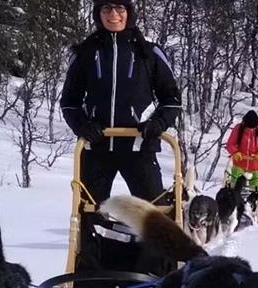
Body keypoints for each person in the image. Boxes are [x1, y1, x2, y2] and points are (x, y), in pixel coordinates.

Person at [60, 0, 181, 204]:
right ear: (98, 13)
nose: (113, 14)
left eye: (119, 8)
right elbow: (70, 102)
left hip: (139, 145)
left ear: (129, 12)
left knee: (155, 215)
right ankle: (91, 236)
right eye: (106, 8)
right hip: (96, 147)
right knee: (88, 213)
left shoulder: (149, 53)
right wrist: (83, 126)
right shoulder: (86, 53)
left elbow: (172, 100)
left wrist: (158, 123)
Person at [224, 110, 258, 221]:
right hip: (240, 164)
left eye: (252, 127)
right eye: (248, 127)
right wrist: (235, 152)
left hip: (256, 166)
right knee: (234, 189)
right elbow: (230, 144)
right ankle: (231, 212)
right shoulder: (239, 129)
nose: (250, 129)